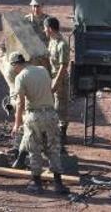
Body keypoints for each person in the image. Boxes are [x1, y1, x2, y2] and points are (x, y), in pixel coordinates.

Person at [9, 51, 69, 195]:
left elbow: (20, 103)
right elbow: (49, 89)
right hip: (51, 114)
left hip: (34, 116)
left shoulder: (20, 77)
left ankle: (37, 184)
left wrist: (17, 124)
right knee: (53, 148)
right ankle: (58, 184)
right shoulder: (42, 70)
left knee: (34, 149)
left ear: (15, 65)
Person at [44, 17, 70, 148]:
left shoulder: (62, 44)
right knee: (53, 106)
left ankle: (63, 134)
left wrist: (56, 82)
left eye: (45, 28)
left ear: (49, 28)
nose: (44, 31)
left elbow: (63, 66)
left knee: (61, 106)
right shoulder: (52, 41)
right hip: (52, 77)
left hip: (60, 79)